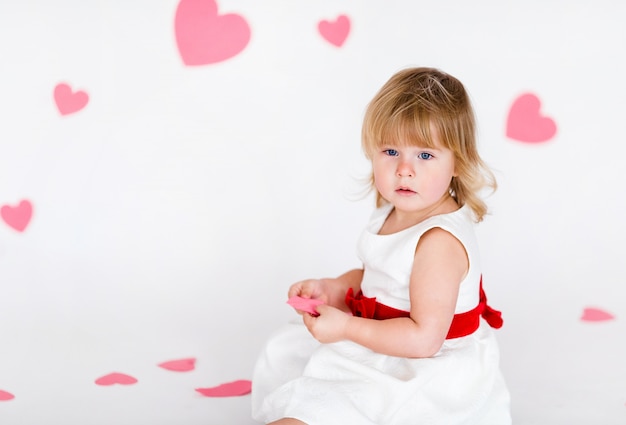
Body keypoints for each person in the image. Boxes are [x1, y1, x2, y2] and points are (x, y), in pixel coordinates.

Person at [251, 67, 512, 425]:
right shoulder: (397, 209)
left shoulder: (439, 243)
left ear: (458, 162)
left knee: (331, 405)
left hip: (424, 370)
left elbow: (423, 340)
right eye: (391, 150)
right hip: (385, 342)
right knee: (287, 357)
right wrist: (334, 289)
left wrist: (344, 328)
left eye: (424, 155)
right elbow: (380, 277)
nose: (404, 169)